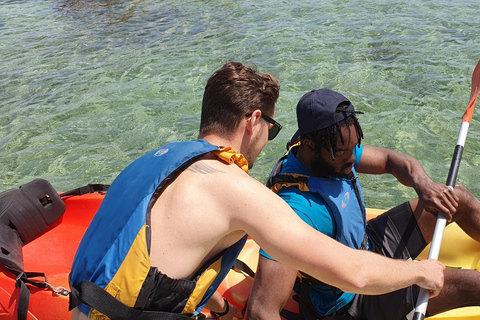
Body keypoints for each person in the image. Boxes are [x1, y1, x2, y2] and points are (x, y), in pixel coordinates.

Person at [69, 64, 445, 320]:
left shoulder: (154, 161)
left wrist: (218, 307)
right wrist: (419, 273)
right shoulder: (234, 188)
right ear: (253, 121)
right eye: (273, 128)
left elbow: (165, 259)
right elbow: (354, 273)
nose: (269, 141)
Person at [246, 89, 480, 320]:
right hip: (352, 300)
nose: (352, 159)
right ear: (309, 147)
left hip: (369, 242)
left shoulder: (329, 145)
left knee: (456, 196)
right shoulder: (294, 211)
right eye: (342, 152)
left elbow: (389, 160)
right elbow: (261, 310)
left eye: (354, 147)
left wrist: (424, 185)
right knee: (471, 284)